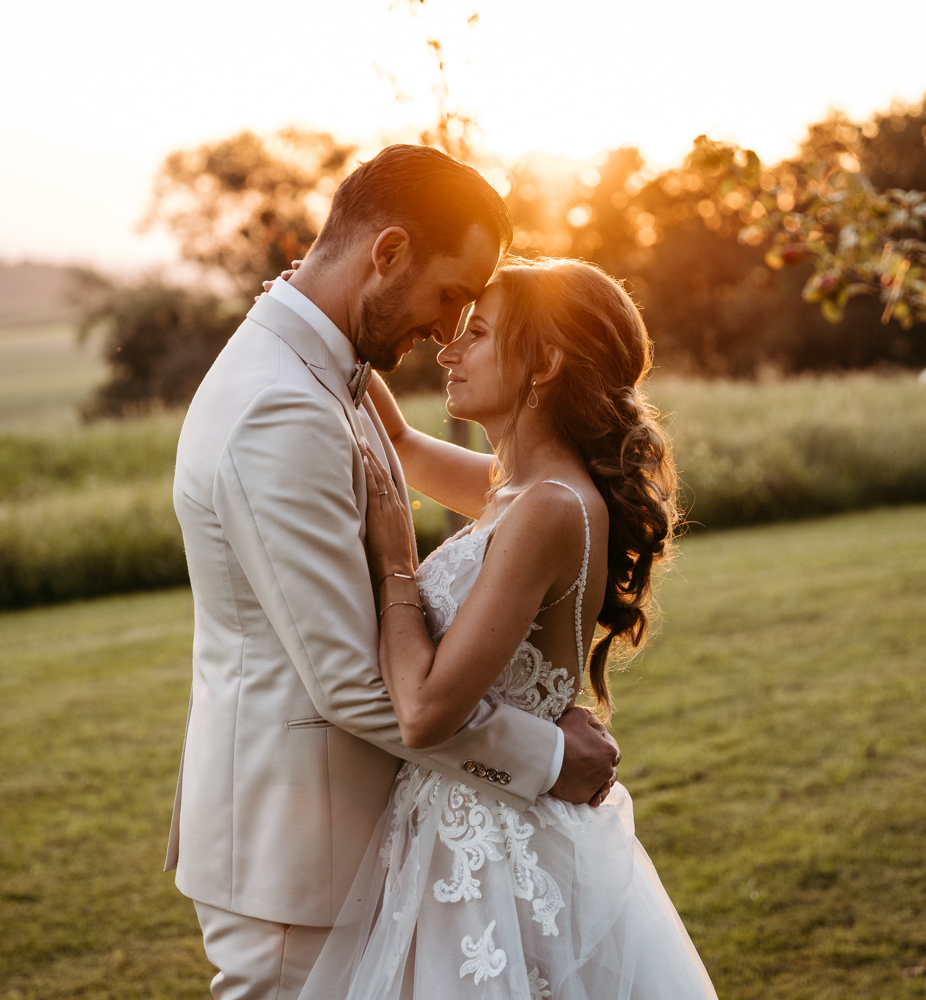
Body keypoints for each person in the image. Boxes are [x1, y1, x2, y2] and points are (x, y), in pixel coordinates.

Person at [166, 144, 622, 1000]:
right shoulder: (282, 407)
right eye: (451, 296)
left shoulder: (326, 373)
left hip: (370, 839)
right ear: (387, 252)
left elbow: (486, 486)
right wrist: (548, 756)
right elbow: (350, 685)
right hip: (300, 858)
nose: (449, 331)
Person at [298, 257, 718, 998]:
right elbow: (396, 441)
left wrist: (397, 562)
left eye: (479, 333)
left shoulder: (549, 506)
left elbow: (426, 712)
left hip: (492, 848)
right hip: (457, 825)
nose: (448, 350)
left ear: (546, 363)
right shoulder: (516, 491)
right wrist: (319, 304)